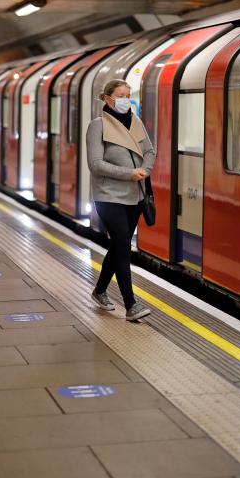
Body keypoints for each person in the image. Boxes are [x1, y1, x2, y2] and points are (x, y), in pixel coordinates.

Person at [85, 79, 155, 322]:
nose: (125, 100)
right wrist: (128, 173)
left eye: (127, 95)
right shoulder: (98, 126)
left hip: (135, 195)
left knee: (118, 246)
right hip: (109, 196)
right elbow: (95, 164)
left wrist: (145, 170)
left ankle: (100, 290)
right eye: (120, 96)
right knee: (123, 244)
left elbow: (149, 151)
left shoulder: (136, 123)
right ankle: (130, 304)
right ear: (106, 98)